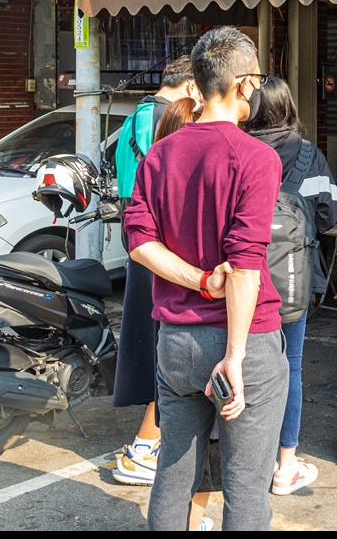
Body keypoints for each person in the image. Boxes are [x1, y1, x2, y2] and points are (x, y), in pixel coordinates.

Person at [125, 26, 289, 532]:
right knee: (245, 489)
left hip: (176, 341)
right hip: (245, 344)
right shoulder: (258, 157)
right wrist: (235, 356)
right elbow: (245, 264)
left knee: (174, 476)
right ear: (244, 84)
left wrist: (197, 279)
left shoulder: (160, 154)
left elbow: (139, 242)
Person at [243, 76, 337, 495]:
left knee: (241, 366)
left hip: (241, 276)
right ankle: (285, 465)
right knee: (291, 366)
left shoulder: (238, 148)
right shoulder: (309, 155)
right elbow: (330, 216)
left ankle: (246, 460)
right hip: (293, 279)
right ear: (288, 107)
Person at [111, 55, 199, 487]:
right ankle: (146, 446)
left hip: (136, 234)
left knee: (150, 340)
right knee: (167, 344)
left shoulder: (133, 117)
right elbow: (168, 183)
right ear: (189, 88)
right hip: (159, 241)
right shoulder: (167, 118)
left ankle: (149, 441)